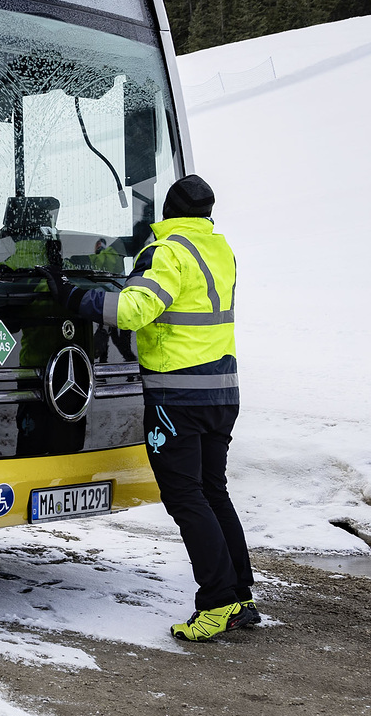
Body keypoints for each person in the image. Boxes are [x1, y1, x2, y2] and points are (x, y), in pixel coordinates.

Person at [67, 174, 252, 641]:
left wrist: (76, 298)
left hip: (177, 396)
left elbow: (133, 311)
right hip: (222, 390)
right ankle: (240, 597)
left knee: (186, 496)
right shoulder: (219, 249)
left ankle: (218, 601)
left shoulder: (167, 252)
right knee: (213, 489)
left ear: (167, 212)